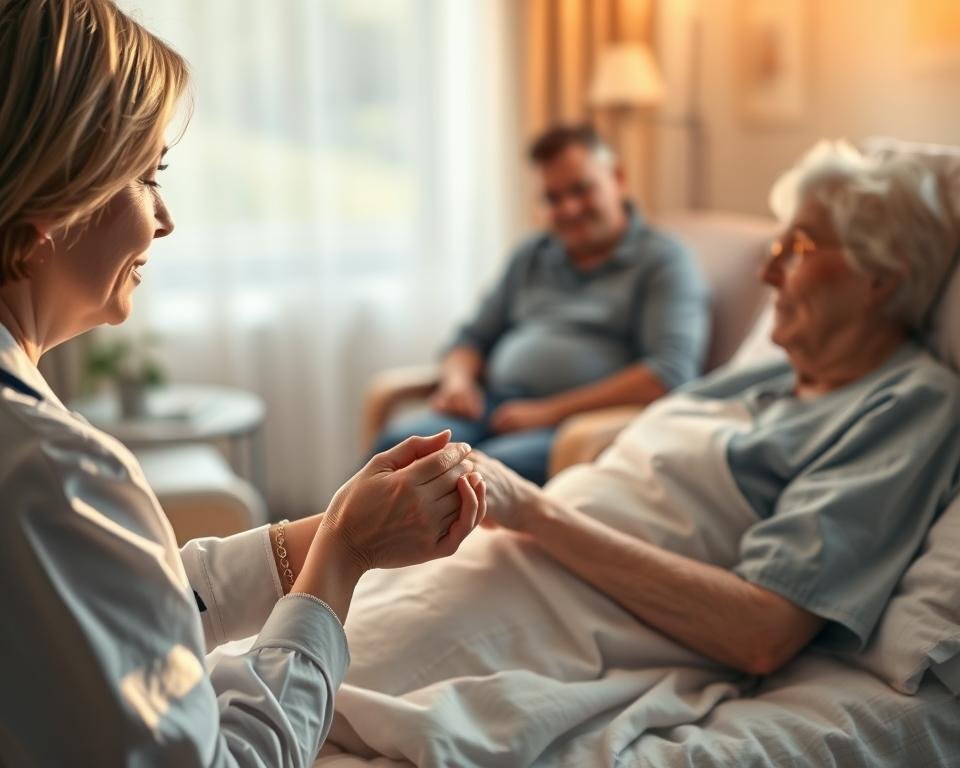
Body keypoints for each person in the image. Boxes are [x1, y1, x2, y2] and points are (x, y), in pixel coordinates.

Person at [320, 142, 960, 766]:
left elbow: (761, 634)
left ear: (882, 275)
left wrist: (532, 510)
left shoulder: (908, 404)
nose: (767, 274)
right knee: (294, 649)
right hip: (513, 558)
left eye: (797, 248)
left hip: (576, 608)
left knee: (314, 690)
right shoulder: (766, 375)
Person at [0, 2, 484, 765]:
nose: (163, 219)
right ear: (51, 207)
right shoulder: (55, 474)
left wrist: (323, 532)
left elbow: (122, 606)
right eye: (146, 176)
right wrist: (341, 562)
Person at [373, 124, 710, 485]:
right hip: (494, 407)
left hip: (581, 426)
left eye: (581, 190)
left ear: (618, 177)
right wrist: (458, 383)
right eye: (552, 198)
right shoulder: (532, 254)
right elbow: (470, 338)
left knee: (485, 474)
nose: (569, 208)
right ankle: (337, 540)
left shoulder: (664, 261)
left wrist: (545, 413)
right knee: (399, 449)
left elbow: (669, 374)